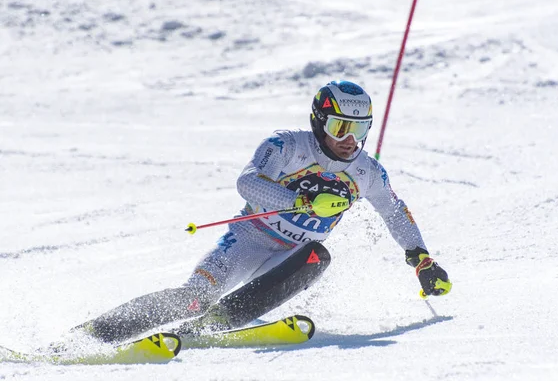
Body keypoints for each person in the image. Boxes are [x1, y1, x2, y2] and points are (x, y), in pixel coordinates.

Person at [75, 80, 452, 344]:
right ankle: (97, 331)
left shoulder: (366, 170)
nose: (349, 140)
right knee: (192, 298)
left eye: (359, 129)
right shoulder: (286, 146)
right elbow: (247, 183)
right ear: (320, 123)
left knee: (319, 256)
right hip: (248, 239)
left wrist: (421, 259)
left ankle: (222, 321)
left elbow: (394, 211)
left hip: (291, 256)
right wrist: (299, 202)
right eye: (339, 127)